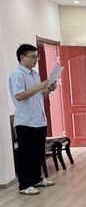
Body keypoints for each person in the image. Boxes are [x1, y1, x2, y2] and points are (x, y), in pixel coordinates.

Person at [9, 44, 58, 195]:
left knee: (37, 152)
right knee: (26, 154)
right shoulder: (17, 74)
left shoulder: (34, 74)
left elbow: (39, 94)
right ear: (22, 57)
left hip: (39, 120)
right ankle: (24, 185)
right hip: (26, 121)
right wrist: (39, 87)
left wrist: (49, 89)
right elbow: (19, 95)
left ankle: (36, 179)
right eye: (32, 57)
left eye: (36, 57)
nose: (35, 59)